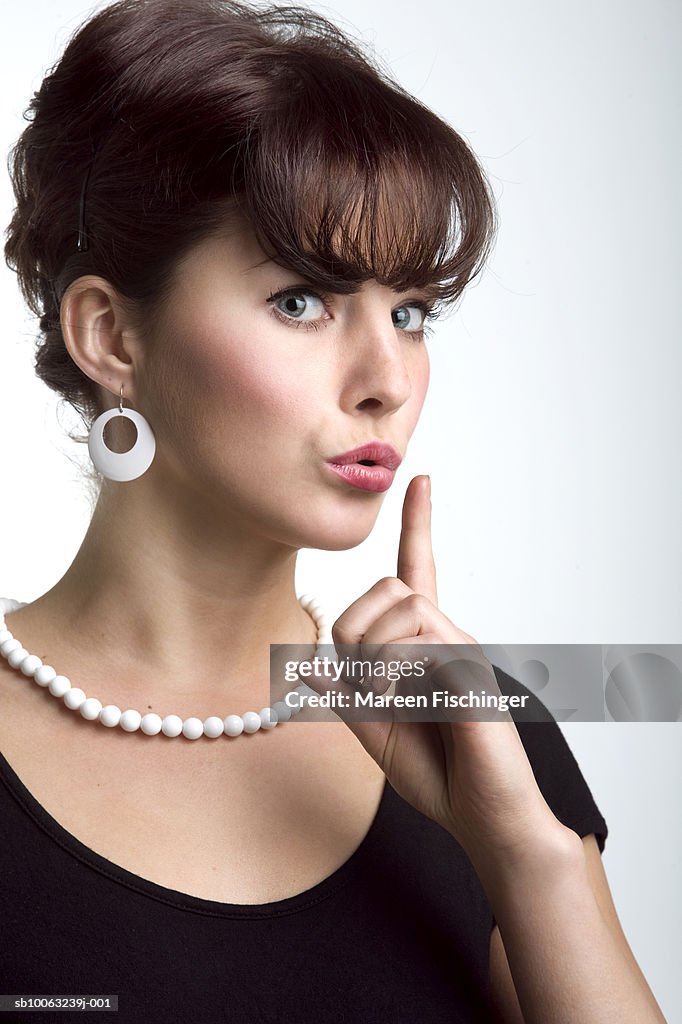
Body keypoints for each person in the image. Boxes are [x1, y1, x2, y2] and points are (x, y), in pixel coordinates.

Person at [0, 1, 667, 1021]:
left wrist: (525, 853)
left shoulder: (470, 722)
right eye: (302, 300)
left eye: (408, 312)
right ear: (111, 338)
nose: (386, 378)